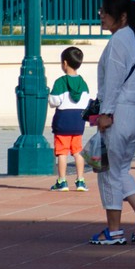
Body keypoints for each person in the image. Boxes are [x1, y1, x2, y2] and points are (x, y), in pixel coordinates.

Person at [89, 0, 135, 246]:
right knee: (120, 170)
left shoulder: (119, 40)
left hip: (119, 112)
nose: (102, 16)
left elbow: (114, 81)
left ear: (122, 16)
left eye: (106, 12)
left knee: (107, 172)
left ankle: (114, 230)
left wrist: (105, 114)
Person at [48, 46, 92, 192]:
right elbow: (86, 102)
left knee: (62, 152)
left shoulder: (60, 82)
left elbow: (53, 101)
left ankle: (62, 181)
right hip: (78, 121)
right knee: (77, 151)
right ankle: (80, 180)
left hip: (63, 122)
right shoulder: (83, 83)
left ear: (65, 63)